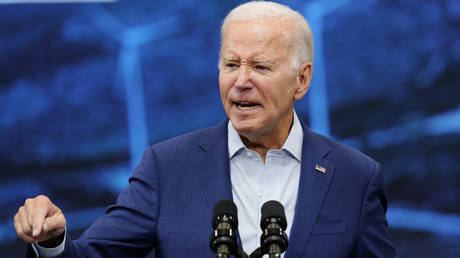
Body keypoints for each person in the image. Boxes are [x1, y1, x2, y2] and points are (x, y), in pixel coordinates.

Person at [14, 1, 396, 257]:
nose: (241, 81)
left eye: (260, 67)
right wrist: (53, 241)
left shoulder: (355, 178)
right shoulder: (166, 167)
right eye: (231, 65)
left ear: (302, 79)